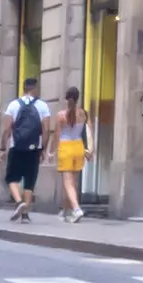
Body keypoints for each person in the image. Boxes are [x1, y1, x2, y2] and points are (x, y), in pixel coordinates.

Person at [2, 76, 50, 221]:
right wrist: (43, 149)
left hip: (16, 146)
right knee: (30, 181)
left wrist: (2, 147)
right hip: (34, 147)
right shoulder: (42, 106)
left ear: (23, 88)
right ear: (35, 88)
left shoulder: (13, 105)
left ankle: (19, 202)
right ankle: (25, 214)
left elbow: (7, 129)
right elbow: (47, 129)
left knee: (11, 178)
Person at [54, 86, 88, 222]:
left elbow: (57, 134)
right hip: (78, 147)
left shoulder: (61, 115)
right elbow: (89, 133)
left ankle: (76, 209)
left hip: (65, 147)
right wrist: (89, 150)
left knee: (67, 183)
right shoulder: (84, 114)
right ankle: (65, 210)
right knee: (73, 183)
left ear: (66, 98)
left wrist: (52, 151)